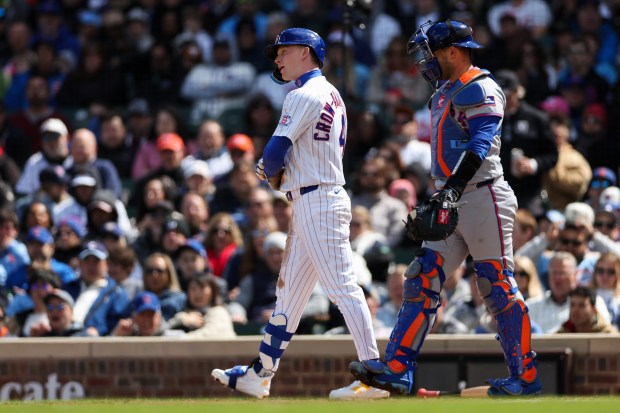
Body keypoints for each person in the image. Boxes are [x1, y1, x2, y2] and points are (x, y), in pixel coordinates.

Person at [348, 20, 541, 397]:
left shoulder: (480, 86)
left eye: (430, 52)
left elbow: (482, 141)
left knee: (495, 283)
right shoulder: (443, 91)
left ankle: (525, 376)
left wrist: (450, 190)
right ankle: (397, 368)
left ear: (453, 51)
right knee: (421, 277)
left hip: (483, 194)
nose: (425, 61)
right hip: (450, 197)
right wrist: (443, 193)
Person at [212, 28, 382, 400]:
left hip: (318, 198)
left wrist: (267, 171)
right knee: (288, 296)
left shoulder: (302, 94)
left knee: (342, 287)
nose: (277, 58)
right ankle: (261, 372)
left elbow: (274, 153)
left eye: (283, 51)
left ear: (305, 52)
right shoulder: (332, 93)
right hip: (313, 196)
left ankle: (374, 375)